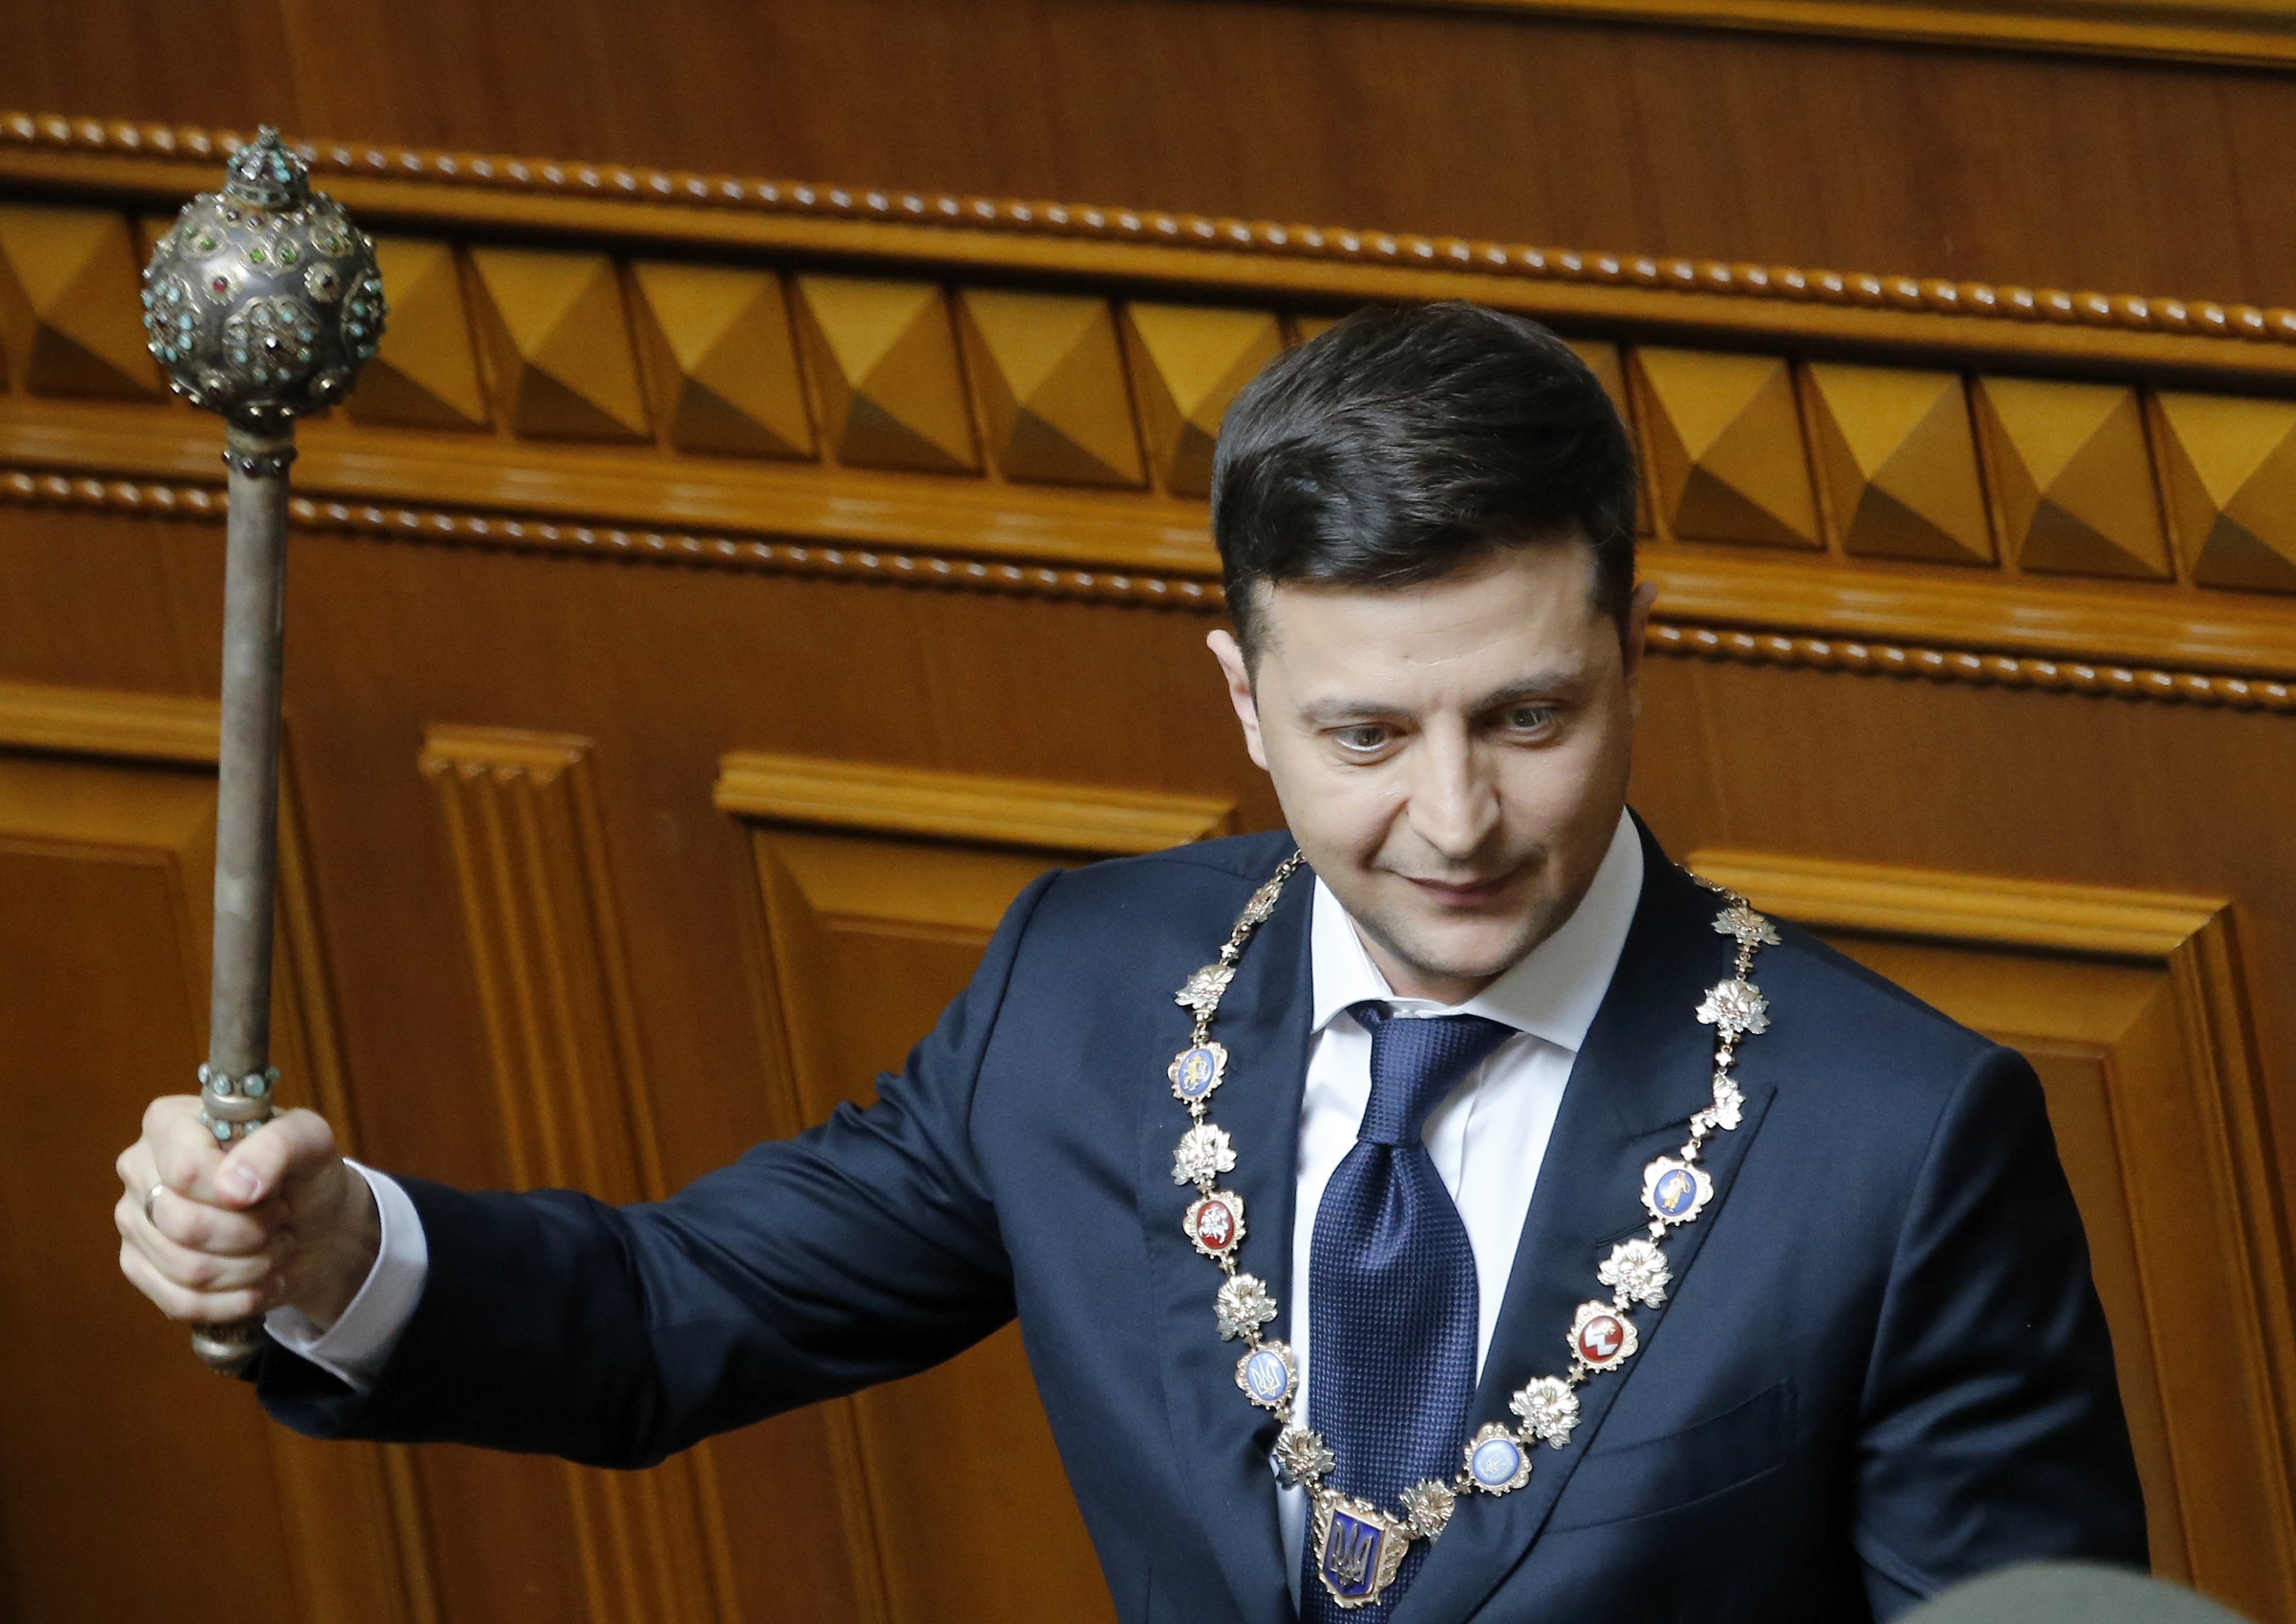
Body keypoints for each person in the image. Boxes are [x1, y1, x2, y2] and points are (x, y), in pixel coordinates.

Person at [116, 302, 2148, 1623]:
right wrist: (334, 1261)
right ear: (1244, 700)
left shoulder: (1903, 1140)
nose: (1455, 817)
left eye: (1526, 716)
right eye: (1365, 733)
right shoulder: (1080, 988)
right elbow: (668, 1313)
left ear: (1635, 662)